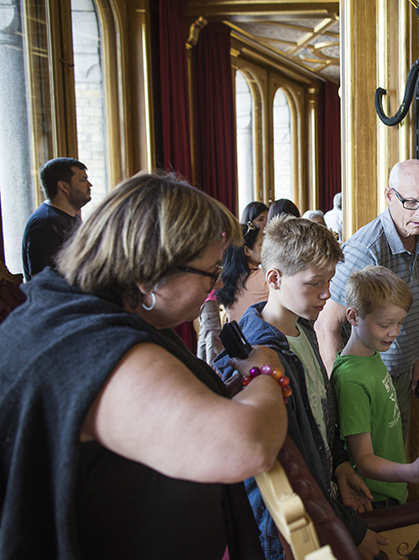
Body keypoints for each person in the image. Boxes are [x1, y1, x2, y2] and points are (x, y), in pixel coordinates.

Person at [0, 173, 288, 559]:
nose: (217, 288)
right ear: (148, 272)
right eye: (211, 271)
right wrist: (265, 372)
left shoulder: (73, 309)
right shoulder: (96, 345)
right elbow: (246, 447)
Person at [215, 216, 386, 560]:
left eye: (330, 282)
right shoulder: (265, 354)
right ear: (274, 278)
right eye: (314, 284)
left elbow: (321, 412)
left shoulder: (304, 327)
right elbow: (295, 463)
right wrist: (350, 530)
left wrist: (339, 464)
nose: (327, 294)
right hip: (291, 526)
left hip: (322, 499)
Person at [315, 159, 419, 441]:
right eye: (411, 202)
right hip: (365, 383)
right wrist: (343, 392)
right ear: (389, 196)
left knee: (394, 462)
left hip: (400, 376)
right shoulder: (366, 249)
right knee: (367, 474)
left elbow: (418, 310)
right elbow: (326, 325)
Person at [331, 266, 419, 509]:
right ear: (353, 317)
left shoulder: (371, 354)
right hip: (373, 497)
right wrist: (412, 472)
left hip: (390, 489)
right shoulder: (351, 380)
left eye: (399, 323)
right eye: (386, 324)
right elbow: (363, 460)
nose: (394, 332)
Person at [21, 157, 91, 281]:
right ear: (63, 186)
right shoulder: (45, 224)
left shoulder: (70, 217)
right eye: (82, 180)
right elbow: (43, 283)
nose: (89, 185)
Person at [216, 221, 269, 322]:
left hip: (239, 337)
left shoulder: (227, 281)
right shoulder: (264, 278)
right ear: (247, 251)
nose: (266, 249)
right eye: (261, 245)